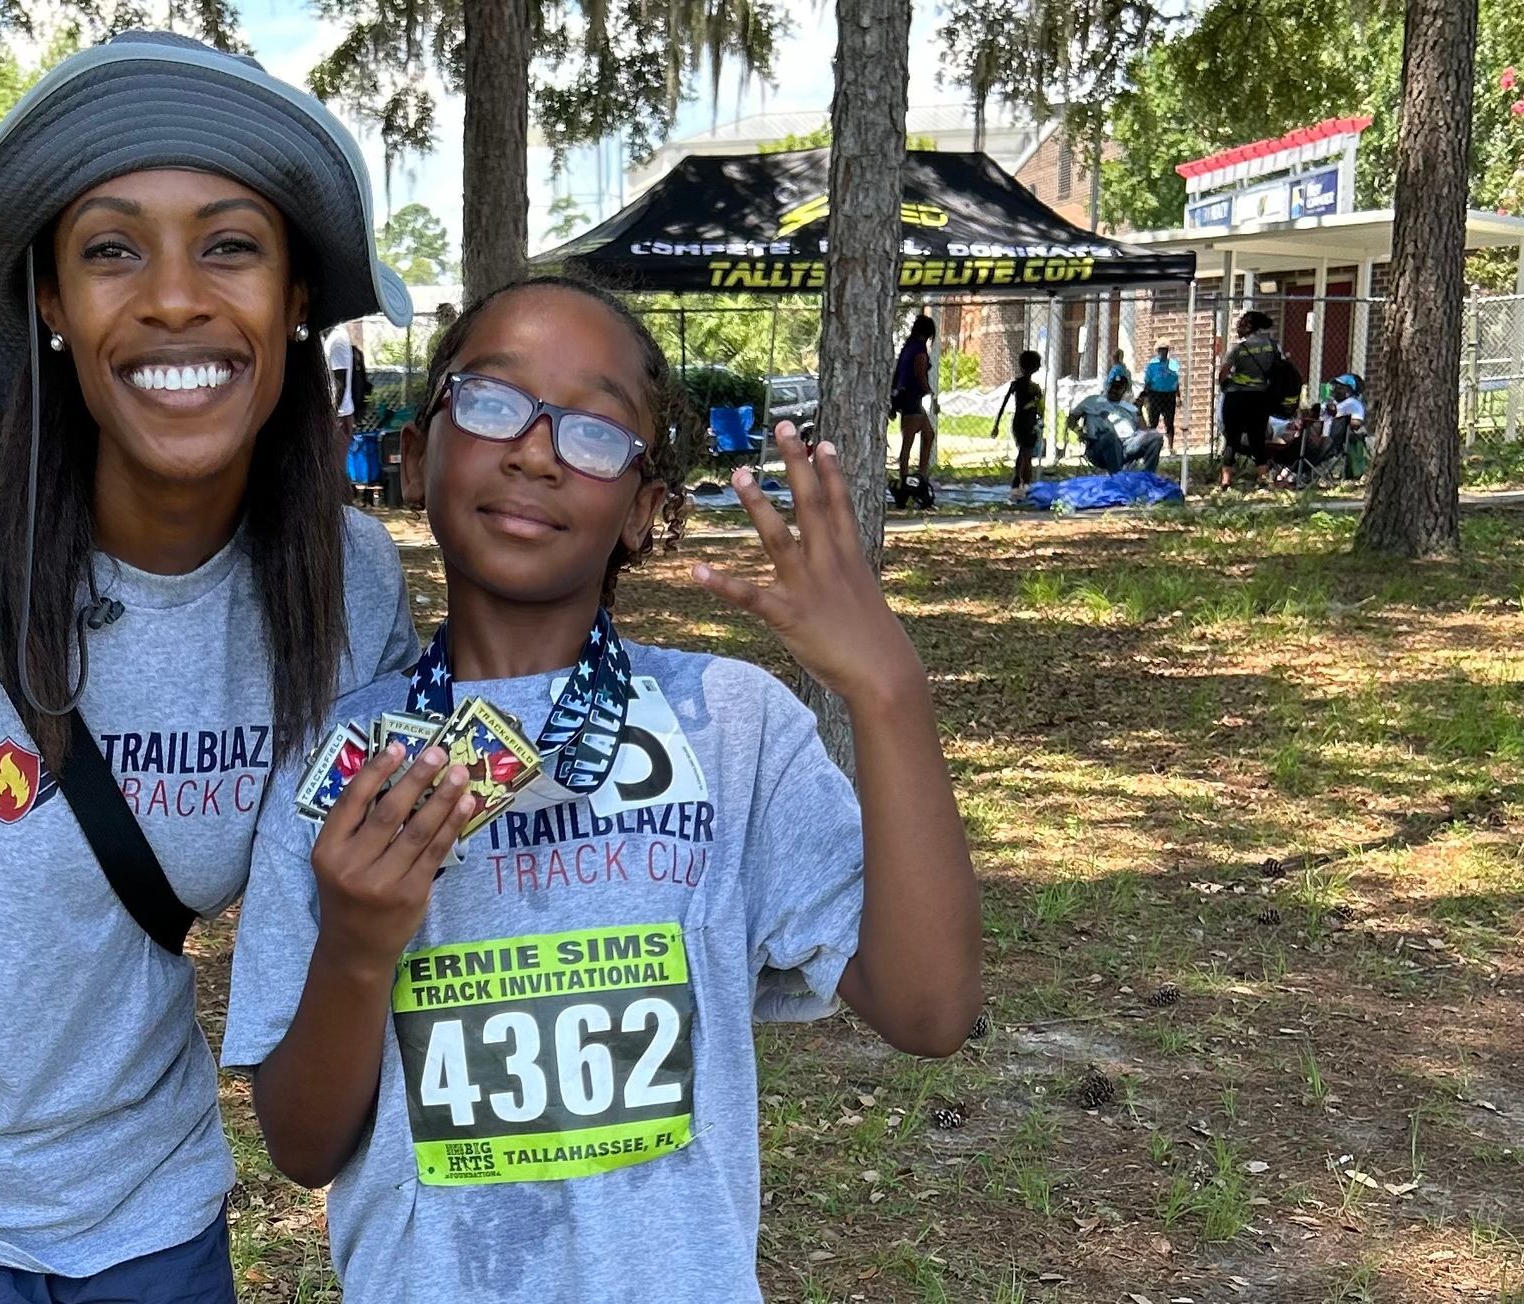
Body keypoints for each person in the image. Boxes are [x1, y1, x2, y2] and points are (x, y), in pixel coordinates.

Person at [0, 32, 420, 1303]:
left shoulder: (345, 584)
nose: (173, 297)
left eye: (230, 244)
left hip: (157, 1215)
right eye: (112, 249)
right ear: (51, 301)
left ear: (292, 302)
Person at [223, 276, 983, 1303]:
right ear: (414, 455)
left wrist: (888, 688)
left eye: (592, 432)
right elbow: (302, 1144)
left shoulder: (732, 727)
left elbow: (930, 1010)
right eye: (491, 402)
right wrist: (359, 946)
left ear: (646, 510)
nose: (536, 449)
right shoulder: (340, 758)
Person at [1217, 310, 1277, 488]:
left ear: (1250, 326)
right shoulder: (1272, 346)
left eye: (1241, 324)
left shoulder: (1239, 349)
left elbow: (1224, 372)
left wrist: (1225, 386)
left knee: (1232, 438)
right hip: (1259, 398)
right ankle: (1262, 478)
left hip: (1236, 398)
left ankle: (1226, 480)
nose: (1238, 327)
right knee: (1257, 438)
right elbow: (1279, 368)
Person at [891, 313, 938, 509]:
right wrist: (931, 393)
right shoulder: (919, 350)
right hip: (912, 398)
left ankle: (920, 475)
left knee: (928, 434)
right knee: (909, 441)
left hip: (907, 397)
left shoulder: (907, 348)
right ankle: (906, 480)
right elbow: (919, 374)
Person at [1069, 376, 1162, 474]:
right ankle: (1117, 477)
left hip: (1127, 445)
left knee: (1156, 437)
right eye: (1112, 387)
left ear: (1124, 391)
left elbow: (1144, 431)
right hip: (1099, 446)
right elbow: (1071, 418)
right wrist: (1079, 432)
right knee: (1110, 435)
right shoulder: (1092, 401)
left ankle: (1149, 475)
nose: (1113, 390)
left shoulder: (1129, 407)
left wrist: (1139, 412)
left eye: (1118, 388)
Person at [992, 348, 1045, 499]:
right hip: (1027, 422)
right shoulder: (1034, 388)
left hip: (1019, 421)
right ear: (1035, 367)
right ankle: (1025, 484)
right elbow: (1041, 407)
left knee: (1023, 451)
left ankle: (1018, 480)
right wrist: (1040, 417)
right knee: (1026, 453)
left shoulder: (1017, 384)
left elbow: (1004, 404)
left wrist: (996, 424)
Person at [326, 322, 358, 445]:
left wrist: (332, 417)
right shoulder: (330, 336)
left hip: (339, 416)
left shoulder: (337, 339)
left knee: (333, 462)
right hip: (337, 416)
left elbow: (340, 383)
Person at [1140, 342, 1181, 436]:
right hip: (1155, 393)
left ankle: (1171, 446)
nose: (1163, 352)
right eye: (1161, 350)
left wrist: (1178, 396)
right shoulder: (1152, 365)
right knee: (1153, 421)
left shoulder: (1173, 364)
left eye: (1165, 350)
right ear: (1157, 351)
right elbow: (1148, 381)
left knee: (1169, 422)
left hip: (1169, 394)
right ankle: (1151, 441)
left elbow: (1176, 380)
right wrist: (1145, 395)